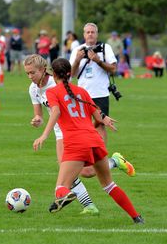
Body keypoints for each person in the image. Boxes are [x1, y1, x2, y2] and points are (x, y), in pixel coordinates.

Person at [33, 58, 144, 224]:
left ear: (53, 74)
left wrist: (44, 135)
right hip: (94, 139)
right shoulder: (81, 91)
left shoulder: (53, 92)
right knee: (108, 185)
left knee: (61, 187)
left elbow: (55, 112)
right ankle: (137, 217)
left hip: (76, 143)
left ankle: (66, 196)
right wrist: (105, 120)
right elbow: (97, 114)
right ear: (70, 73)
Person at [70, 23, 117, 153]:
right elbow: (72, 74)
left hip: (100, 93)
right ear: (84, 34)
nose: (90, 34)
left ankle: (100, 154)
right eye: (88, 32)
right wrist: (77, 60)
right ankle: (85, 153)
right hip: (82, 95)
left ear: (97, 34)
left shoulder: (105, 48)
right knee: (81, 125)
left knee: (100, 124)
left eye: (93, 32)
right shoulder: (77, 50)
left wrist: (98, 61)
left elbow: (113, 69)